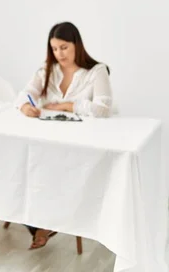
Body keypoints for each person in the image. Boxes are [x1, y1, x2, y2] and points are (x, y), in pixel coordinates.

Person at [14, 21, 113, 249]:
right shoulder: (47, 69)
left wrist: (68, 105)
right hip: (46, 138)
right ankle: (41, 225)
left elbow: (103, 108)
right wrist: (24, 107)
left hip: (80, 141)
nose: (59, 54)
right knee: (25, 168)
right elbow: (24, 94)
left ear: (76, 44)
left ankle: (48, 224)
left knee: (54, 171)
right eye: (55, 49)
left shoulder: (97, 72)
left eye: (64, 47)